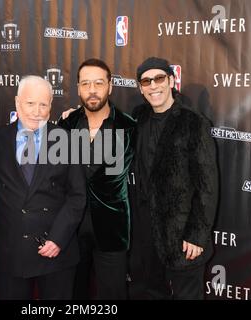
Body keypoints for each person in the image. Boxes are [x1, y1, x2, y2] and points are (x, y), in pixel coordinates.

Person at [128, 57, 218, 299]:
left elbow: (207, 185)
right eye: (146, 81)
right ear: (140, 87)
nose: (153, 86)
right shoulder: (138, 118)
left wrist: (197, 235)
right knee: (147, 292)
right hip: (145, 233)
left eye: (158, 78)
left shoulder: (193, 122)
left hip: (182, 234)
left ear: (171, 81)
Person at [0, 75, 86, 299]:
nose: (37, 111)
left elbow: (77, 196)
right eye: (30, 103)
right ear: (17, 102)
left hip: (55, 251)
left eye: (43, 104)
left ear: (51, 106)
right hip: (11, 251)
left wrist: (58, 238)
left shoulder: (66, 140)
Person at [58, 58, 135, 299]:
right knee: (72, 292)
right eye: (86, 83)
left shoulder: (128, 127)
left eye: (99, 83)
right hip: (71, 227)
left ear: (110, 86)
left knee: (112, 295)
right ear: (78, 87)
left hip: (112, 230)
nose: (92, 90)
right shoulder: (67, 124)